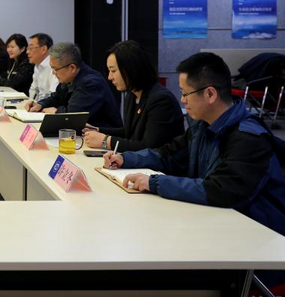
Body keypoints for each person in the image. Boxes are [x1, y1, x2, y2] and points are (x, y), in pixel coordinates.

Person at [106, 52, 285, 236]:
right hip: (218, 223)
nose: (182, 100)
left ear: (210, 94)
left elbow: (220, 190)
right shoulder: (202, 125)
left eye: (185, 93)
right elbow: (169, 155)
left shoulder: (249, 138)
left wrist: (155, 183)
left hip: (258, 234)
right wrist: (125, 159)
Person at [84, 40, 184, 151]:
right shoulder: (132, 96)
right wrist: (98, 130)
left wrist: (106, 141)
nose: (109, 77)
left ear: (131, 68)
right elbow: (129, 132)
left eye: (113, 71)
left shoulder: (161, 100)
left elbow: (149, 148)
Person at [27, 42, 122, 129]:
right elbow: (57, 97)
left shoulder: (91, 83)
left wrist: (56, 112)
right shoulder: (69, 77)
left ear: (72, 67)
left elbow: (72, 116)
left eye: (55, 69)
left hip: (103, 136)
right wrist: (40, 105)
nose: (53, 73)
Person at [23, 33, 58, 107]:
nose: (27, 52)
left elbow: (53, 95)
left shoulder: (54, 66)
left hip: (48, 107)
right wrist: (30, 102)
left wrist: (40, 105)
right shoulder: (37, 65)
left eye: (31, 48)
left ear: (43, 49)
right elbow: (33, 89)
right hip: (39, 106)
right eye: (27, 48)